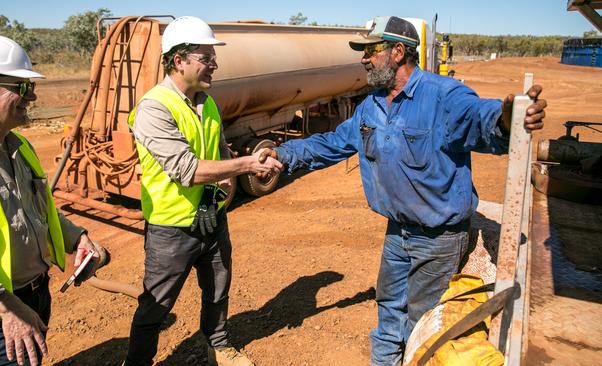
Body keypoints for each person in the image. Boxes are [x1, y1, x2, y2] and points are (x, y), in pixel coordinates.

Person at [259, 16, 546, 366]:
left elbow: (480, 117)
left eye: (371, 50)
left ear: (398, 52)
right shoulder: (372, 105)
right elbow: (333, 143)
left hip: (438, 238)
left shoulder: (443, 96)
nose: (364, 58)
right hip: (398, 232)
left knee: (421, 320)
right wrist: (284, 153)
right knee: (388, 309)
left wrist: (506, 118)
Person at [123, 16, 281, 366]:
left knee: (218, 290)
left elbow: (218, 148)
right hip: (172, 228)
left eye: (213, 57)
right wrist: (245, 165)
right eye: (207, 57)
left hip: (211, 216)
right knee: (156, 307)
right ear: (179, 61)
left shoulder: (206, 102)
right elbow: (187, 170)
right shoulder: (154, 108)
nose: (215, 64)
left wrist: (226, 176)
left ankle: (218, 345)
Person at [0, 34, 103, 366]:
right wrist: (8, 307)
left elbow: (38, 211)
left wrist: (76, 237)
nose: (32, 96)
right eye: (20, 87)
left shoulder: (19, 146)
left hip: (35, 295)